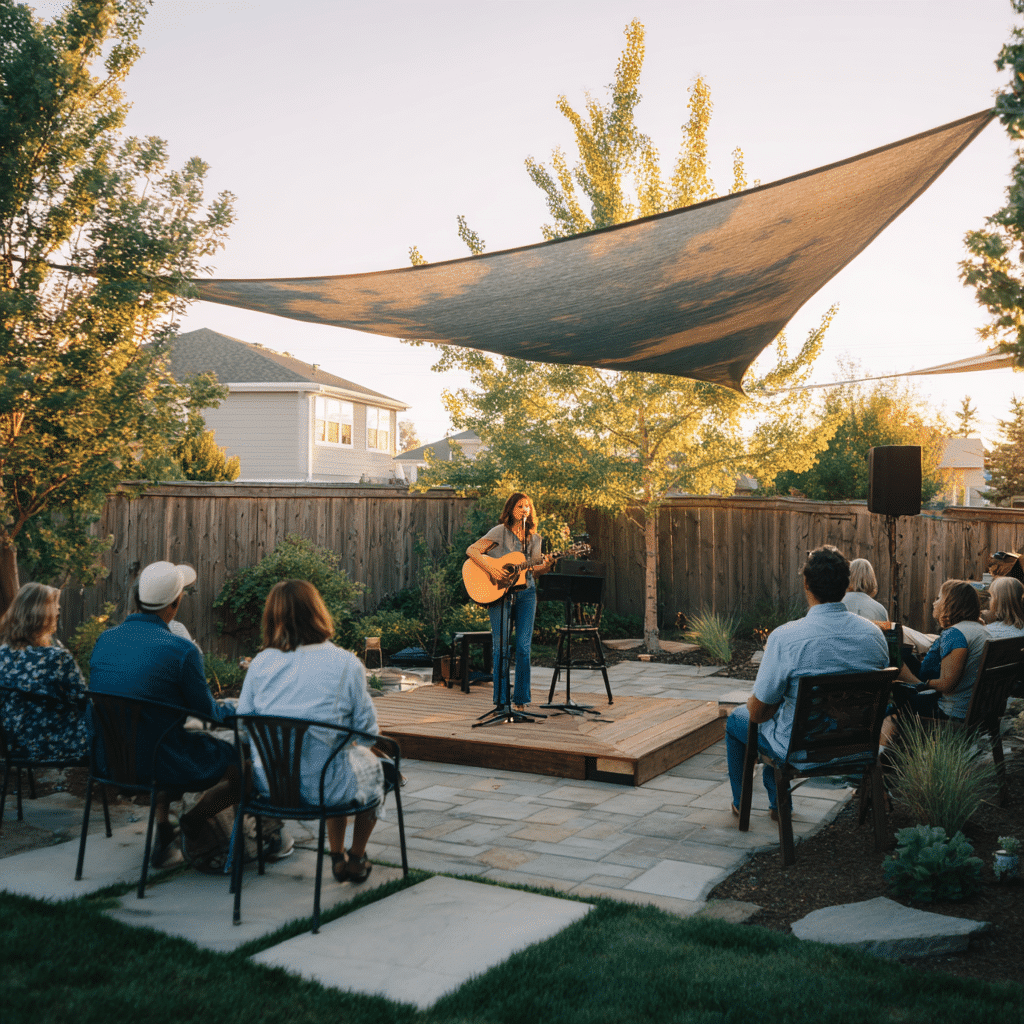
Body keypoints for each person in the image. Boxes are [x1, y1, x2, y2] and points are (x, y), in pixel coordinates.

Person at [89, 561, 286, 870]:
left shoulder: (106, 640)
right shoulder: (180, 649)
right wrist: (238, 708)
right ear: (175, 604)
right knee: (243, 761)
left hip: (110, 763)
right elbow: (208, 712)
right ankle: (195, 822)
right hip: (164, 763)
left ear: (138, 598)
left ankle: (164, 829)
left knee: (158, 736)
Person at [725, 546, 889, 820]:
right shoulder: (873, 636)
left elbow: (758, 713)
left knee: (740, 720)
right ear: (845, 585)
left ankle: (743, 804)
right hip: (857, 748)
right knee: (778, 725)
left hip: (801, 752)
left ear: (806, 585)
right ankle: (778, 805)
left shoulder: (786, 638)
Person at [237, 580, 383, 883]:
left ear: (272, 617)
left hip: (271, 788)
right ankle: (355, 857)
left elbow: (242, 724)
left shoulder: (260, 663)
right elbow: (368, 733)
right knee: (367, 765)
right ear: (318, 612)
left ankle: (336, 855)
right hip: (327, 788)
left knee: (336, 762)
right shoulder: (346, 663)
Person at [465, 492, 555, 709]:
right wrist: (493, 571)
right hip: (500, 594)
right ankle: (501, 700)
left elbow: (532, 572)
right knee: (501, 648)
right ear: (511, 509)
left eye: (528, 506)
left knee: (524, 648)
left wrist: (547, 566)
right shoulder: (499, 532)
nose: (525, 509)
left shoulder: (534, 539)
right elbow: (472, 551)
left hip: (527, 595)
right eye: (520, 505)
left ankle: (521, 700)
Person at [0, 583, 89, 763]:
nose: (58, 611)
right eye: (55, 607)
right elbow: (83, 701)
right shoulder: (57, 658)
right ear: (44, 615)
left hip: (12, 747)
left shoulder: (2, 655)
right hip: (58, 746)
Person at [892, 579, 990, 721]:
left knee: (892, 695)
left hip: (951, 712)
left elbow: (947, 684)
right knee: (902, 656)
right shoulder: (982, 630)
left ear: (950, 604)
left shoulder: (955, 634)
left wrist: (921, 684)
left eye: (938, 598)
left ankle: (886, 739)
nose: (934, 603)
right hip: (975, 707)